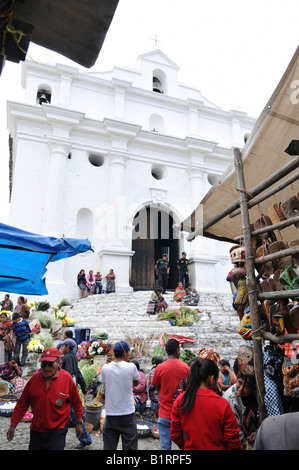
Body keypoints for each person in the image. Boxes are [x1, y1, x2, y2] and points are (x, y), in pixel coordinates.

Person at [7, 347, 84, 450]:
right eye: (43, 364)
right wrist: (13, 425)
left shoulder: (67, 379)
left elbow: (77, 403)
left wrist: (79, 423)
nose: (46, 368)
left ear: (58, 363)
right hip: (37, 431)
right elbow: (22, 404)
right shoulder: (34, 379)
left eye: (50, 364)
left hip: (57, 431)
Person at [171, 357, 242, 450]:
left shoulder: (181, 400)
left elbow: (175, 434)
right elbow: (233, 440)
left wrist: (184, 446)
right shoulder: (222, 404)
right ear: (212, 378)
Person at [99, 340, 141, 450]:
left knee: (109, 446)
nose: (129, 354)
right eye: (128, 352)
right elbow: (136, 382)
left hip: (111, 414)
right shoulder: (131, 366)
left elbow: (104, 382)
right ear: (124, 353)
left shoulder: (106, 368)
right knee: (130, 446)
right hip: (127, 413)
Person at [151, 339, 190, 450]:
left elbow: (156, 386)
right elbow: (188, 388)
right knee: (185, 445)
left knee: (165, 446)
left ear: (166, 352)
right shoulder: (185, 367)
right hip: (181, 414)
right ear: (177, 351)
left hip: (164, 413)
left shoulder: (159, 368)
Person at [58, 339, 92, 449]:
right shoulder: (72, 357)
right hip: (71, 390)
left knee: (74, 415)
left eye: (63, 346)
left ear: (68, 347)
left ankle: (85, 439)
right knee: (73, 415)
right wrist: (83, 387)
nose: (61, 347)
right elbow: (78, 373)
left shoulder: (67, 358)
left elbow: (66, 376)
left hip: (67, 392)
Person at [223, 373, 259, 449]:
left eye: (246, 387)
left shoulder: (255, 395)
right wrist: (244, 446)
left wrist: (258, 432)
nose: (241, 389)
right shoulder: (231, 399)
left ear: (252, 389)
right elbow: (235, 429)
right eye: (239, 383)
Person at [148, 356, 164, 423]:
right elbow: (152, 384)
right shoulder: (152, 372)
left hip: (160, 389)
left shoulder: (161, 370)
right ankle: (155, 416)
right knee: (157, 400)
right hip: (154, 391)